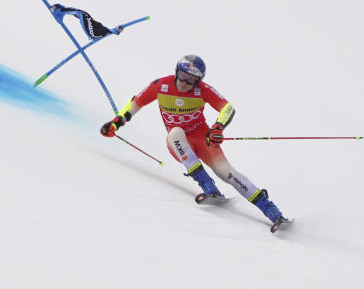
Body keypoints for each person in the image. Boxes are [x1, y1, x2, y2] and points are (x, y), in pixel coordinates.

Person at [100, 54, 288, 227]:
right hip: (180, 142)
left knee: (226, 173)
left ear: (198, 80)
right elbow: (136, 103)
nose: (184, 82)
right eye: (182, 75)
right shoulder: (161, 85)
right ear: (176, 72)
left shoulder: (203, 90)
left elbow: (227, 108)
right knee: (174, 133)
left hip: (203, 138)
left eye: (191, 79)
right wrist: (116, 123)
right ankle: (208, 186)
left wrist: (217, 128)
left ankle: (273, 213)